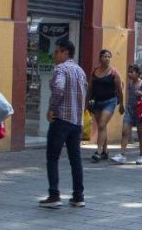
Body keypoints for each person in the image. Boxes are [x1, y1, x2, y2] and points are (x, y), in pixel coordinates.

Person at [40, 40, 87, 208]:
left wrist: (52, 108)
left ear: (65, 52)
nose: (54, 55)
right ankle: (78, 196)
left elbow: (59, 88)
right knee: (75, 159)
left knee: (52, 157)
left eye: (56, 52)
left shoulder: (60, 69)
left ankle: (54, 195)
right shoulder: (80, 71)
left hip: (61, 120)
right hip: (76, 121)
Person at [111, 64, 142, 165]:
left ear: (138, 73)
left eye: (132, 72)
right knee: (124, 132)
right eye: (129, 72)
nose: (129, 74)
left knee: (140, 134)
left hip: (140, 111)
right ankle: (122, 155)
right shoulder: (130, 83)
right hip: (129, 110)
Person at [86, 49, 123, 162]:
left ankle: (98, 152)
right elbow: (90, 88)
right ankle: (105, 151)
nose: (107, 59)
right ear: (100, 58)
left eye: (109, 57)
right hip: (97, 102)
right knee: (102, 127)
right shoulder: (94, 72)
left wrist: (122, 104)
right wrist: (87, 102)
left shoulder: (114, 73)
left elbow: (119, 90)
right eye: (105, 56)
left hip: (110, 101)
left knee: (102, 125)